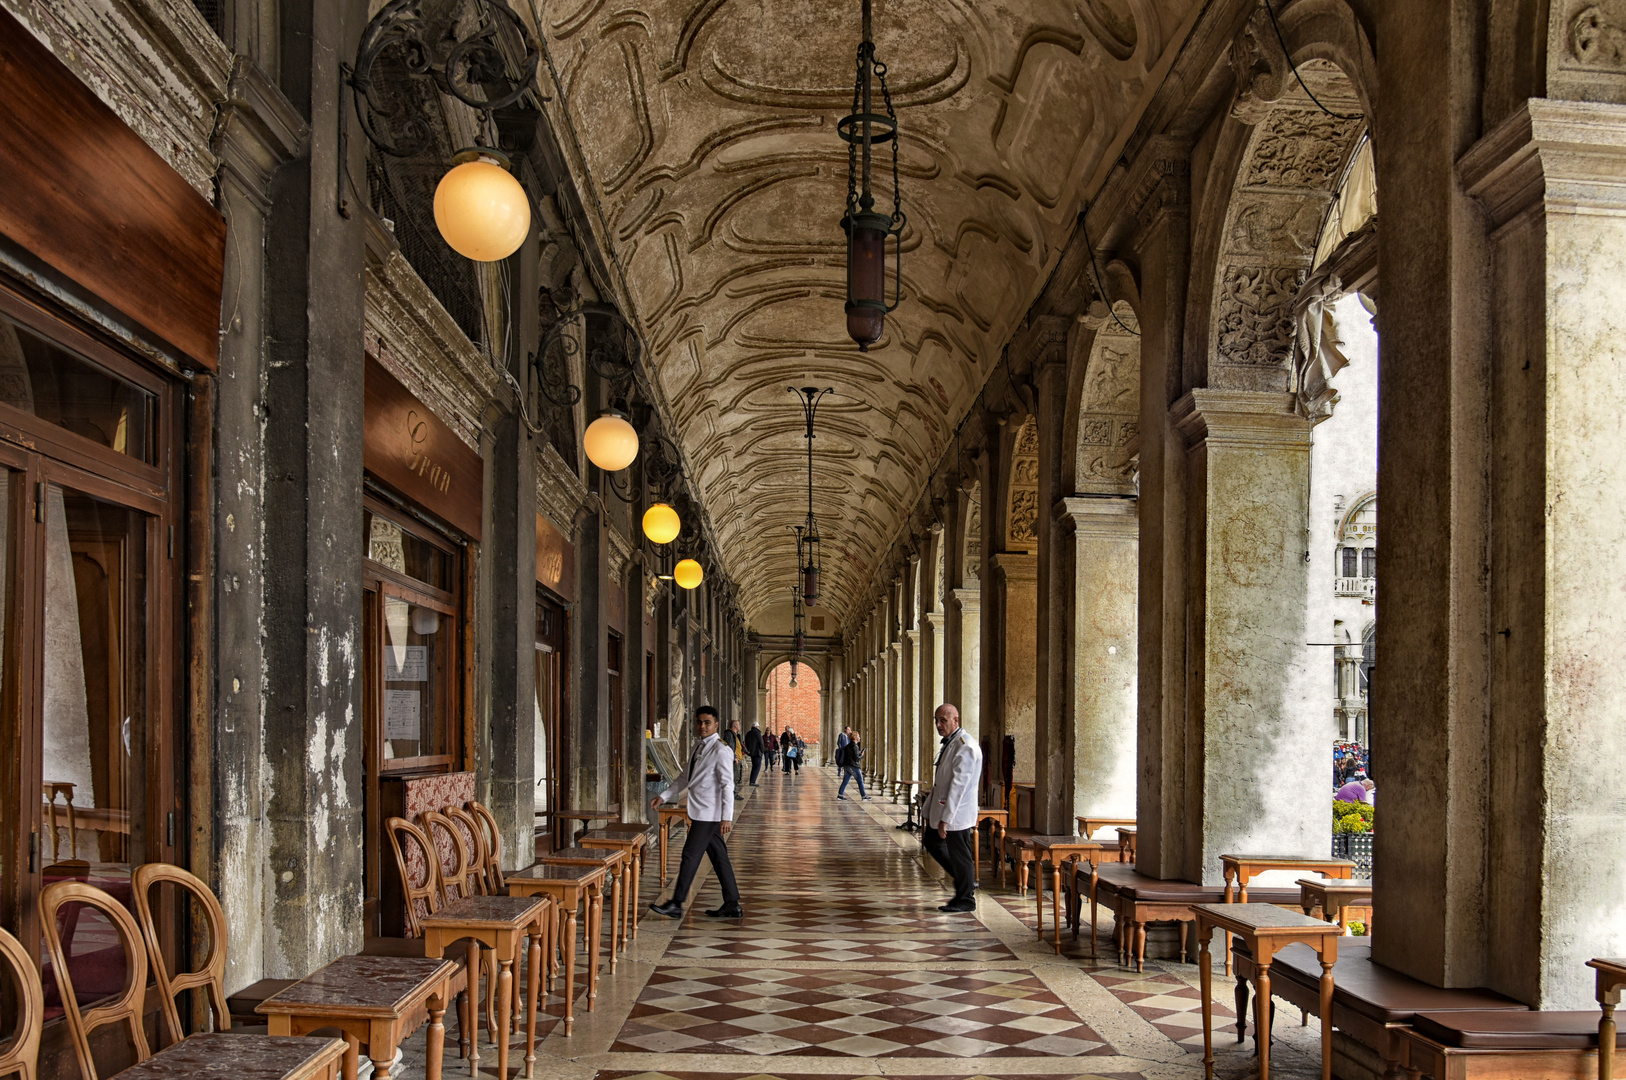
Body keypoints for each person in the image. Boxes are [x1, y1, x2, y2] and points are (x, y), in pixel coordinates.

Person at [649, 705, 742, 919]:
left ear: (716, 724)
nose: (702, 726)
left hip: (709, 815)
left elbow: (728, 785)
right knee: (719, 857)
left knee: (690, 855)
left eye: (707, 722)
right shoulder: (698, 746)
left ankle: (676, 903)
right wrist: (663, 796)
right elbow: (685, 777)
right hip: (700, 810)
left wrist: (727, 817)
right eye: (699, 722)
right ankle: (732, 903)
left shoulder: (721, 750)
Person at [922, 703, 980, 913]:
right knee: (932, 841)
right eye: (936, 720)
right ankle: (965, 880)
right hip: (949, 810)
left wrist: (946, 818)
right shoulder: (954, 742)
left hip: (958, 812)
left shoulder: (965, 746)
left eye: (943, 721)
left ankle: (966, 898)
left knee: (960, 854)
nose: (938, 725)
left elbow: (959, 786)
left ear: (956, 720)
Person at [836, 728, 868, 801]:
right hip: (853, 766)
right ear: (855, 737)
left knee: (845, 780)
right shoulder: (855, 746)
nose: (859, 737)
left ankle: (840, 795)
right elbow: (856, 758)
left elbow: (851, 756)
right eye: (858, 736)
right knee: (860, 780)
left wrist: (858, 754)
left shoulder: (848, 745)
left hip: (847, 766)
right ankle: (864, 796)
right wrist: (862, 755)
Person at [723, 718, 744, 796]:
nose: (740, 726)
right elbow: (730, 747)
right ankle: (732, 794)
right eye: (738, 724)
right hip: (733, 759)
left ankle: (733, 792)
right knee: (733, 777)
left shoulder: (736, 735)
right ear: (735, 726)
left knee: (737, 777)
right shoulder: (729, 734)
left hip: (738, 758)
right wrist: (734, 757)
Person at [744, 721, 764, 786]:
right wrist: (762, 751)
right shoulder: (757, 733)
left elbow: (746, 743)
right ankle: (752, 781)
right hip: (757, 753)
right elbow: (761, 743)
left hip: (752, 753)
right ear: (756, 727)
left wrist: (749, 750)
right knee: (757, 767)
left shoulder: (748, 733)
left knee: (754, 766)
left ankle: (752, 780)